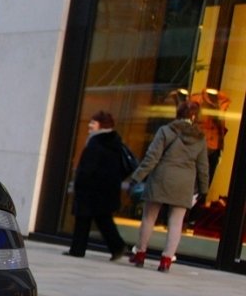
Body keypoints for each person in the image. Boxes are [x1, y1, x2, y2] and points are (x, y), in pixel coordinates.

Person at [129, 100, 210, 272]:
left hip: (161, 178)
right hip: (184, 183)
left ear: (178, 114)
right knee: (176, 222)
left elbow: (152, 158)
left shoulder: (165, 131)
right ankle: (166, 260)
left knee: (149, 218)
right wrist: (204, 189)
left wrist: (137, 178)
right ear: (195, 117)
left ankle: (140, 254)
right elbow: (203, 166)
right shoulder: (200, 138)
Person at [64, 111, 129, 260]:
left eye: (93, 122)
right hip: (107, 188)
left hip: (91, 188)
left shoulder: (96, 142)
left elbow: (88, 168)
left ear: (101, 125)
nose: (89, 125)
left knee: (84, 218)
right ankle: (117, 247)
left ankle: (78, 249)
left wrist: (79, 183)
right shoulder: (113, 141)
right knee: (103, 219)